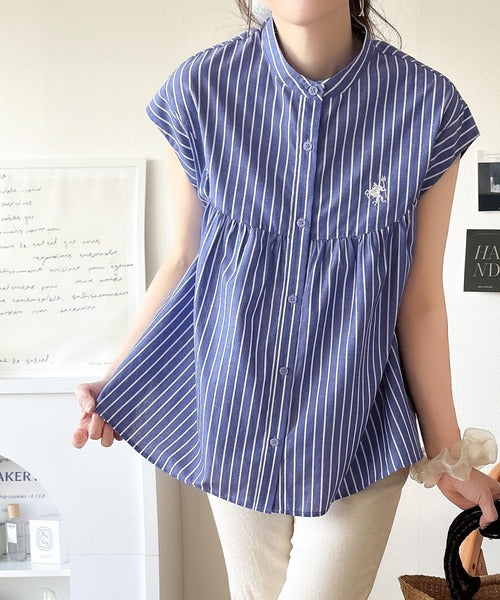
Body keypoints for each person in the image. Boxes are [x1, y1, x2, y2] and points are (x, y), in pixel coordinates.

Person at [72, 1, 500, 598]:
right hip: (236, 411)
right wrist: (114, 380)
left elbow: (421, 299)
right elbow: (184, 259)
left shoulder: (426, 107)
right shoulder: (201, 91)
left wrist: (449, 457)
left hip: (360, 425)